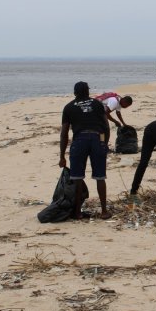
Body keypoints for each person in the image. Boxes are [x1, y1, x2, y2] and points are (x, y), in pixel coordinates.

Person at [59, 81, 111, 220]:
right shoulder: (97, 104)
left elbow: (64, 133)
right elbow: (106, 126)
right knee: (100, 177)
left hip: (79, 141)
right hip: (96, 139)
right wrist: (104, 144)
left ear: (75, 92)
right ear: (88, 91)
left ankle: (77, 212)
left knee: (77, 178)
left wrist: (62, 156)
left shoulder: (69, 107)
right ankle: (104, 211)